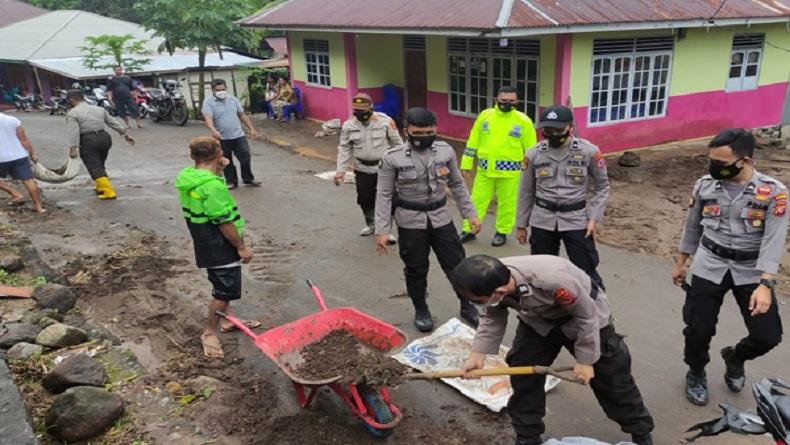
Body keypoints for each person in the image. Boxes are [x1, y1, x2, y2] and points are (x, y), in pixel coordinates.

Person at [453, 254, 655, 445]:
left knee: (611, 375)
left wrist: (585, 362)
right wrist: (477, 354)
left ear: (500, 292)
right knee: (523, 373)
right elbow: (492, 315)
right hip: (538, 319)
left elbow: (586, 317)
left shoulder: (552, 281)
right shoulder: (489, 279)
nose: (474, 304)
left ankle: (639, 430)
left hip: (585, 317)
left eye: (476, 300)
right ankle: (528, 435)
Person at [673, 128, 786, 406]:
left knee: (768, 335)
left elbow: (774, 240)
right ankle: (696, 371)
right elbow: (692, 227)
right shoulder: (705, 185)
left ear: (745, 160)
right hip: (709, 263)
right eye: (711, 160)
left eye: (720, 163)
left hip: (750, 269)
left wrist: (765, 284)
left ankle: (735, 357)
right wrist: (682, 262)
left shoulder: (773, 193)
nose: (713, 167)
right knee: (698, 328)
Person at [375, 107, 482, 332]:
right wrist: (382, 230)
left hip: (441, 218)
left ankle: (467, 304)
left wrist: (470, 213)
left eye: (428, 132)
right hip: (410, 221)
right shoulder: (392, 157)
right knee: (416, 268)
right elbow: (384, 194)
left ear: (436, 129)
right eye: (418, 133)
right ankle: (421, 308)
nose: (423, 137)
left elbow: (457, 184)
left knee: (457, 265)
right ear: (407, 131)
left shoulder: (445, 152)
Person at [176, 137, 261, 358]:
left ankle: (226, 321)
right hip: (218, 243)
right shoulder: (212, 186)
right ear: (218, 152)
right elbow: (223, 221)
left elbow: (207, 191)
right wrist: (241, 247)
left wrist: (218, 167)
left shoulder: (192, 177)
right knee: (225, 289)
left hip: (203, 239)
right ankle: (209, 332)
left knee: (221, 281)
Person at [516, 105, 610, 291]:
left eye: (558, 130)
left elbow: (602, 185)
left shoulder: (589, 152)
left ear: (570, 127)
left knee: (586, 270)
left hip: (576, 220)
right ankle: (549, 311)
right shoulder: (533, 153)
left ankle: (600, 313)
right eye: (548, 130)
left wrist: (593, 219)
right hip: (542, 219)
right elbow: (526, 191)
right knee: (542, 270)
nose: (553, 134)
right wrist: (521, 224)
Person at [459, 86, 537, 246]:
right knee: (476, 201)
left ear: (517, 102)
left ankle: (502, 231)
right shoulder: (485, 116)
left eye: (511, 101)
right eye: (503, 101)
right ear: (496, 100)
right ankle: (469, 229)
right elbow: (473, 141)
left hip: (511, 174)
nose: (507, 104)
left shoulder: (523, 121)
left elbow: (531, 150)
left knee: (507, 204)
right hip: (484, 171)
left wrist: (531, 173)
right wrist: (466, 164)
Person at [334, 93, 403, 238]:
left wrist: (400, 167)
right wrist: (341, 170)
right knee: (365, 198)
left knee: (386, 199)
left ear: (371, 108)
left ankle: (385, 230)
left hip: (383, 168)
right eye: (356, 111)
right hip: (362, 168)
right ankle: (371, 224)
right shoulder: (349, 125)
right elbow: (345, 148)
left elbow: (398, 145)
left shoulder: (385, 122)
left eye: (363, 111)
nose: (359, 114)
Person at [65, 89, 135, 199]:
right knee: (99, 163)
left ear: (71, 100)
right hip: (104, 138)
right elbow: (113, 122)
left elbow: (74, 132)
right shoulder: (99, 109)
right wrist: (125, 134)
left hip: (88, 140)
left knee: (94, 165)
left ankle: (109, 192)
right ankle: (100, 186)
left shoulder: (72, 113)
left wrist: (73, 147)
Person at [202, 79, 261, 190]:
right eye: (218, 90)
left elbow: (242, 115)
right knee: (226, 160)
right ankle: (231, 181)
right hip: (222, 137)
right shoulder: (208, 102)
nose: (221, 91)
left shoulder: (233, 100)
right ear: (213, 90)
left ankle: (248, 178)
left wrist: (251, 129)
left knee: (245, 156)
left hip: (238, 135)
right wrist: (214, 130)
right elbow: (208, 118)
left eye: (223, 89)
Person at [0, 112, 45, 213]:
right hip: (19, 155)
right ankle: (39, 207)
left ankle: (14, 193)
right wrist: (32, 153)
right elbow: (23, 139)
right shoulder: (12, 120)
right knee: (28, 181)